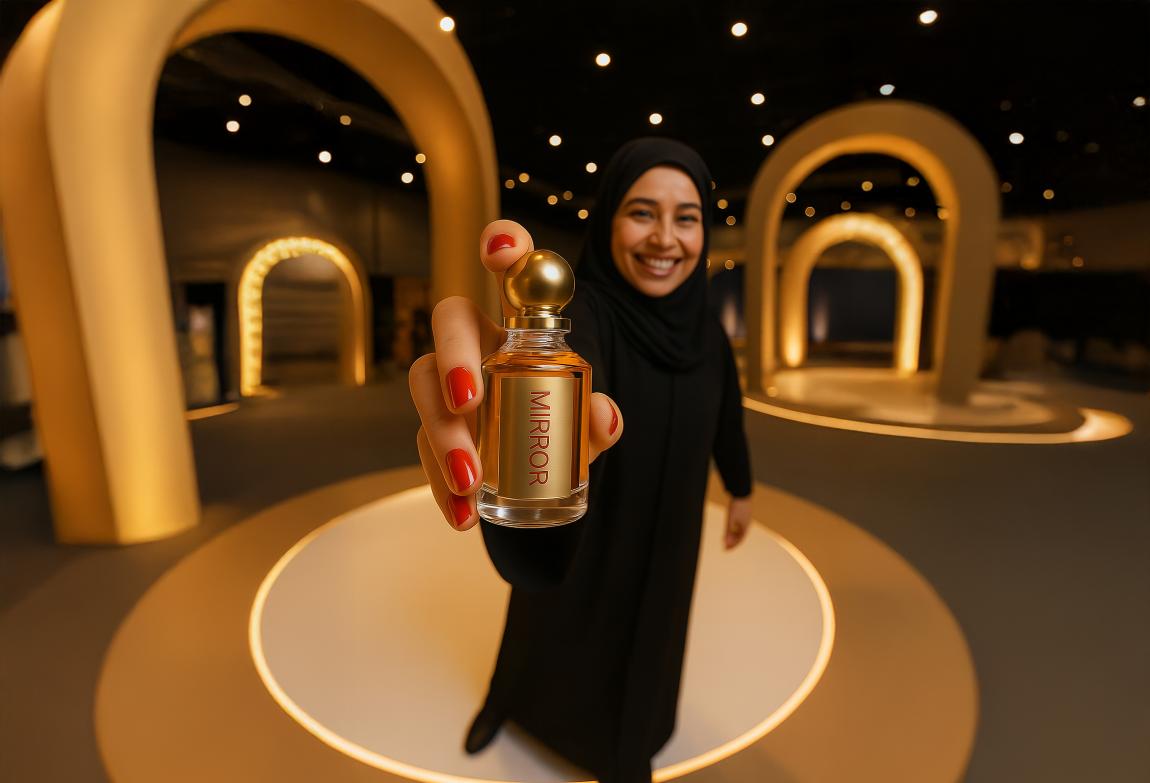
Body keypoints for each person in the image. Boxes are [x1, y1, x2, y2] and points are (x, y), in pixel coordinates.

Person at [408, 138, 753, 782]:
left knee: (652, 632)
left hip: (673, 529)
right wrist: (518, 378)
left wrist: (742, 488)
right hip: (593, 527)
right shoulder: (588, 310)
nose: (665, 239)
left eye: (687, 218)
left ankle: (628, 749)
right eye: (642, 212)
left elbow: (728, 416)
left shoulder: (707, 332)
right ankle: (506, 704)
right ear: (608, 220)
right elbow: (573, 361)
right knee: (545, 621)